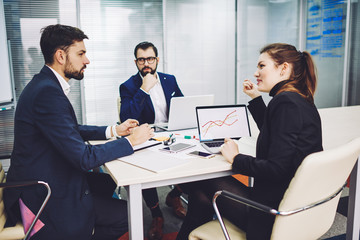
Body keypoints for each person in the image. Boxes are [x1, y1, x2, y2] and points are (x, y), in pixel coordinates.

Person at [4, 24, 154, 240]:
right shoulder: (47, 92)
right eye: (81, 53)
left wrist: (114, 130)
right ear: (61, 56)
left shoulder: (44, 84)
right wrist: (131, 141)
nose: (87, 60)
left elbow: (69, 130)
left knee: (107, 182)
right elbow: (84, 158)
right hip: (42, 194)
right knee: (127, 213)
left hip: (48, 176)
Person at [176, 43, 323, 240]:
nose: (256, 72)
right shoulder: (300, 98)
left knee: (202, 181)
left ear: (284, 68)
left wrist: (236, 158)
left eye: (262, 66)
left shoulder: (285, 102)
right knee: (201, 195)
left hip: (271, 215)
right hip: (294, 206)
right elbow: (277, 133)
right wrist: (255, 98)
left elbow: (277, 168)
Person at [120, 41, 186, 240]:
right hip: (146, 137)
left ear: (157, 60)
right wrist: (144, 90)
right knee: (144, 173)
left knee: (196, 158)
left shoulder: (169, 79)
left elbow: (182, 104)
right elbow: (127, 118)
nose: (146, 63)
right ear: (136, 62)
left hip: (172, 133)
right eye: (141, 59)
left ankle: (174, 196)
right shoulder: (129, 86)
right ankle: (156, 214)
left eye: (150, 58)